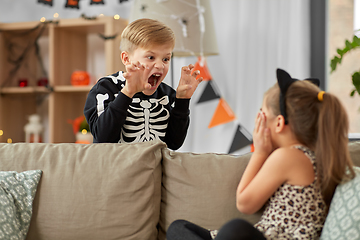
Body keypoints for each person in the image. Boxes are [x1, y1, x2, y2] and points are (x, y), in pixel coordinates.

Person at [166, 68, 355, 239]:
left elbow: (245, 203)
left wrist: (260, 152)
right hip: (267, 235)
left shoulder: (289, 156)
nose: (258, 121)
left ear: (279, 123)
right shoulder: (313, 155)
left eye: (262, 114)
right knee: (180, 228)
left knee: (235, 229)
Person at [84, 18, 203, 150]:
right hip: (115, 169)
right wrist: (127, 93)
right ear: (126, 59)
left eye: (166, 59)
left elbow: (174, 143)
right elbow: (102, 139)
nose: (159, 65)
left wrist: (182, 100)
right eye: (151, 57)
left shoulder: (167, 94)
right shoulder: (105, 88)